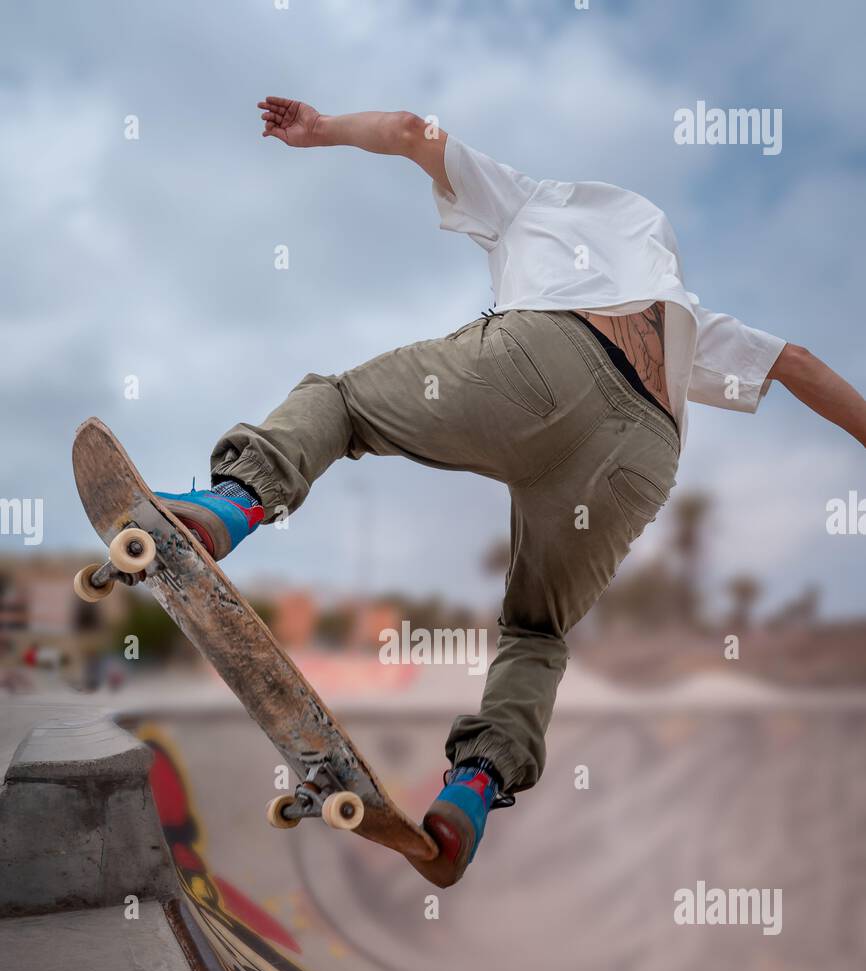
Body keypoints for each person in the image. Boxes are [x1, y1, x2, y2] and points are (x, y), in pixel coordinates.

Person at [157, 100, 866, 886]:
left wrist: (321, 130)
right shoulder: (687, 317)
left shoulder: (533, 198)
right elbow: (797, 363)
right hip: (643, 452)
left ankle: (230, 507)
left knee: (343, 401)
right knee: (537, 633)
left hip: (547, 353)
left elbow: (407, 131)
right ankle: (477, 786)